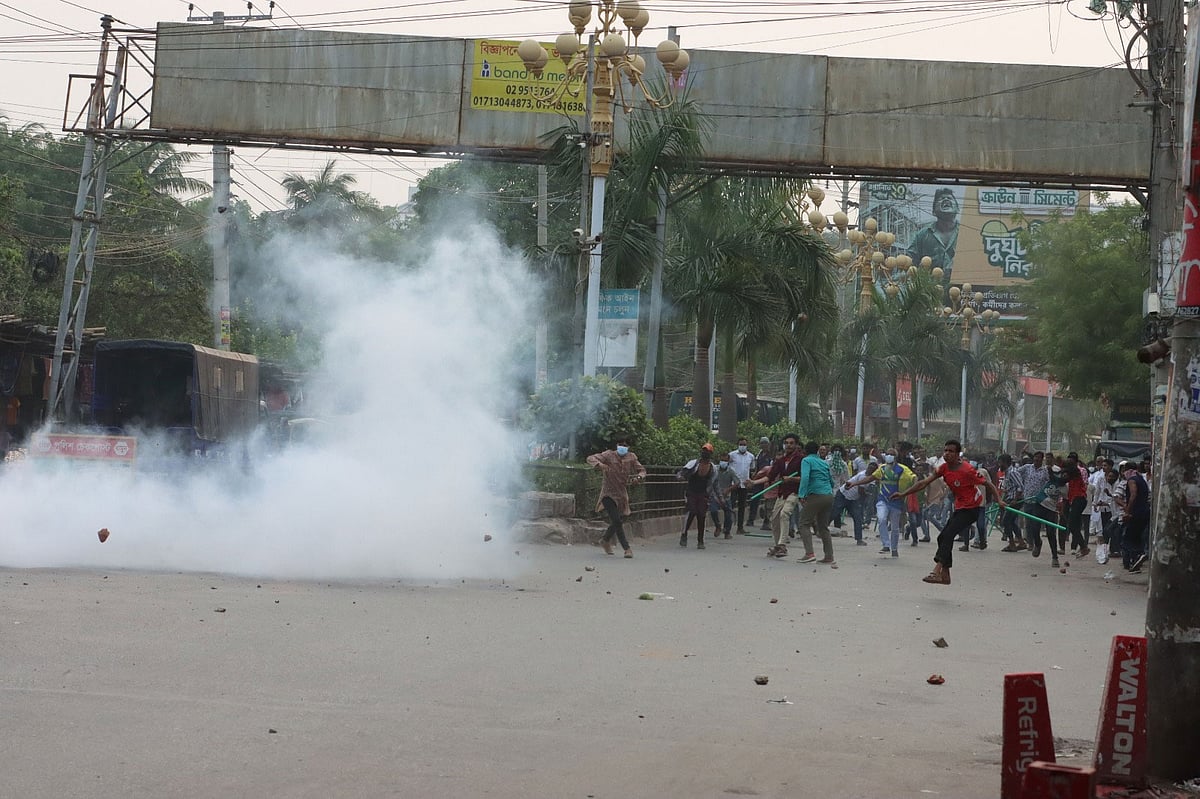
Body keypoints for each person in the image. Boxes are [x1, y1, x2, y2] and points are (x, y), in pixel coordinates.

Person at [896, 439, 1005, 586]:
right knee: (943, 538)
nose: (947, 454)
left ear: (957, 454)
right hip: (959, 507)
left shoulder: (968, 470)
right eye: (945, 450)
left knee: (947, 535)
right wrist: (904, 494)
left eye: (951, 451)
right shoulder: (943, 468)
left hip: (972, 508)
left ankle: (937, 570)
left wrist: (999, 500)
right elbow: (923, 483)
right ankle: (945, 576)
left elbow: (989, 484)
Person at [586, 437, 647, 558]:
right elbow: (590, 458)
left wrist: (638, 478)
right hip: (608, 494)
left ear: (628, 447)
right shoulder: (609, 455)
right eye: (620, 444)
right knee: (617, 520)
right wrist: (600, 465)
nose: (622, 447)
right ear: (616, 445)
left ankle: (605, 540)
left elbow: (642, 471)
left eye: (625, 445)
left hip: (622, 494)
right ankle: (627, 548)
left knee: (620, 519)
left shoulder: (632, 457)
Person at [749, 433, 804, 559]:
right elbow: (769, 477)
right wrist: (754, 482)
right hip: (782, 494)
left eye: (791, 443)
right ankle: (778, 545)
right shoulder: (780, 461)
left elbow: (804, 478)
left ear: (796, 445)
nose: (789, 445)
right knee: (774, 518)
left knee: (785, 514)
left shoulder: (801, 460)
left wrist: (791, 479)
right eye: (787, 443)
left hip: (794, 493)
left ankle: (782, 545)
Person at [857, 447, 915, 558]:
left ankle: (894, 548)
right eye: (887, 454)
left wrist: (914, 487)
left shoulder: (902, 469)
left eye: (891, 454)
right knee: (882, 519)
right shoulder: (882, 469)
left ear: (895, 457)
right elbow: (870, 478)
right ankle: (886, 545)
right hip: (882, 499)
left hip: (896, 501)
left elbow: (913, 478)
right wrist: (855, 483)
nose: (889, 456)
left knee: (895, 527)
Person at [795, 440, 836, 565]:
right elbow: (831, 481)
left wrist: (802, 494)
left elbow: (805, 477)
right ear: (818, 450)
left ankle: (809, 553)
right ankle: (829, 556)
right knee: (823, 527)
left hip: (816, 495)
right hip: (828, 495)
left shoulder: (806, 461)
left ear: (805, 451)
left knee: (803, 523)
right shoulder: (823, 462)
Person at [908, 187, 960, 283]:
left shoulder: (966, 233)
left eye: (950, 198)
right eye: (941, 199)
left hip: (961, 293)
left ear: (958, 209)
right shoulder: (922, 235)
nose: (946, 199)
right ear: (933, 211)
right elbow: (909, 262)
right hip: (929, 293)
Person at [678, 444, 717, 549]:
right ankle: (684, 534)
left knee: (701, 515)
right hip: (691, 491)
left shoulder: (713, 468)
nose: (705, 453)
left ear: (711, 454)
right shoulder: (693, 463)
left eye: (707, 451)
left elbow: (713, 483)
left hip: (703, 493)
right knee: (692, 511)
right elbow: (682, 472)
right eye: (704, 451)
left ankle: (700, 540)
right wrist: (681, 476)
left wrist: (716, 497)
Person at [1121, 464, 1151, 573]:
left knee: (1128, 537)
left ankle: (1133, 559)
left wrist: (1127, 512)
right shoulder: (1142, 480)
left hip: (1136, 512)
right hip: (1145, 511)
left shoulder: (1132, 480)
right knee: (1138, 536)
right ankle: (1138, 557)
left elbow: (1133, 495)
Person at [834, 459, 870, 545]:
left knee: (858, 518)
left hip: (853, 498)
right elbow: (861, 491)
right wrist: (867, 495)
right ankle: (821, 531)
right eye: (870, 468)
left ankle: (859, 539)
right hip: (843, 494)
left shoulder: (872, 477)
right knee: (834, 513)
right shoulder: (863, 476)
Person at [728, 437, 756, 535]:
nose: (742, 446)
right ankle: (727, 526)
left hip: (744, 484)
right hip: (734, 484)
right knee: (730, 505)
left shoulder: (751, 456)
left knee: (742, 506)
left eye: (744, 444)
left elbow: (752, 468)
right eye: (741, 444)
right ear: (738, 444)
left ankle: (740, 527)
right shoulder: (732, 455)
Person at [709, 453, 738, 539]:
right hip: (715, 495)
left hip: (726, 496)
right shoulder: (714, 470)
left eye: (725, 460)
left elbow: (737, 482)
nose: (723, 462)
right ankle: (718, 525)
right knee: (713, 511)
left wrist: (728, 489)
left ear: (728, 461)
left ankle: (727, 531)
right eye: (722, 460)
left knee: (728, 514)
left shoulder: (731, 471)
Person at [749, 436, 774, 530]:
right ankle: (751, 519)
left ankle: (767, 521)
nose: (764, 445)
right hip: (759, 479)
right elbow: (756, 468)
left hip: (768, 479)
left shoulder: (771, 455)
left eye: (765, 443)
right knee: (754, 499)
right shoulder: (759, 455)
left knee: (768, 501)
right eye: (762, 443)